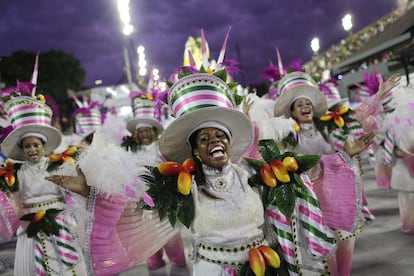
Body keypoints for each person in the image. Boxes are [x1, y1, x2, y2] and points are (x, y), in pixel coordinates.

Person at [244, 71, 375, 276]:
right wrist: (248, 120)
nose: (305, 106)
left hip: (333, 189)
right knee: (323, 248)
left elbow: (356, 118)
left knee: (346, 240)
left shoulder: (325, 126)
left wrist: (347, 153)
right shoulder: (286, 134)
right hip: (308, 198)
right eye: (299, 104)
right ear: (292, 111)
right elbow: (261, 152)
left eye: (308, 102)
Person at [0, 95, 89, 275]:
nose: (32, 150)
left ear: (43, 145)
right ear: (22, 149)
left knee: (67, 268)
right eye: (27, 146)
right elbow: (12, 199)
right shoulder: (15, 171)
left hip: (60, 223)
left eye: (36, 145)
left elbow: (77, 189)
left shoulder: (58, 165)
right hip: (31, 228)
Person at [122, 93, 187, 271]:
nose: (144, 135)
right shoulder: (131, 152)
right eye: (141, 132)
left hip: (164, 195)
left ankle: (178, 258)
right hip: (142, 198)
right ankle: (154, 259)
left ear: (153, 132)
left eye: (147, 131)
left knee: (169, 229)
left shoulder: (161, 147)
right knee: (148, 231)